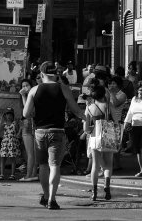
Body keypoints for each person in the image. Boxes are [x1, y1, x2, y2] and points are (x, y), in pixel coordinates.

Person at [23, 61, 85, 210]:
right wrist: (87, 118)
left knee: (43, 166)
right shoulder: (64, 88)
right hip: (57, 131)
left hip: (39, 132)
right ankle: (52, 198)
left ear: (42, 74)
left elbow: (26, 114)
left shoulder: (34, 90)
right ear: (56, 74)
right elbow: (76, 110)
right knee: (55, 166)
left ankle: (45, 195)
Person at [84, 85, 114, 201]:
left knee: (95, 165)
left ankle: (94, 192)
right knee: (108, 164)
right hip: (108, 136)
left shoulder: (89, 108)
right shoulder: (108, 106)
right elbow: (115, 121)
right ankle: (107, 187)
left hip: (94, 137)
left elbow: (86, 128)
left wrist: (91, 128)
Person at [18, 79, 38, 181]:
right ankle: (32, 174)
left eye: (27, 85)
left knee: (31, 153)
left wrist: (23, 96)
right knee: (31, 153)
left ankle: (29, 175)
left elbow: (28, 111)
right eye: (23, 85)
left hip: (31, 124)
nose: (25, 87)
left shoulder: (32, 95)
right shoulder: (27, 96)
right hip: (28, 124)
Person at [0, 108, 20, 180]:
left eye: (10, 114)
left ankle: (12, 174)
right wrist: (1, 119)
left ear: (13, 116)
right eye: (7, 114)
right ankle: (1, 174)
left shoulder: (14, 123)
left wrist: (16, 123)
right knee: (3, 159)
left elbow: (17, 131)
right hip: (5, 143)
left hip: (12, 143)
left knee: (13, 159)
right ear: (5, 115)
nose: (9, 116)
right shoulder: (4, 124)